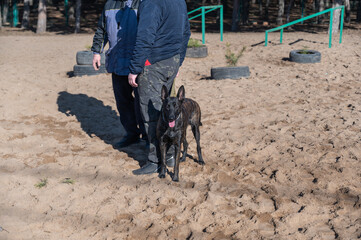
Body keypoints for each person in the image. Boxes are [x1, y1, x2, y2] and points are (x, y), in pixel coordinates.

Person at [128, 0, 191, 175]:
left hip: (154, 63)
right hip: (172, 60)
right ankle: (170, 155)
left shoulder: (151, 2)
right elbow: (186, 33)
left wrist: (134, 68)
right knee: (166, 110)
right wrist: (178, 61)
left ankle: (156, 160)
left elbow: (145, 36)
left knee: (151, 114)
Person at [91, 0, 146, 148]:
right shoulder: (110, 4)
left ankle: (147, 136)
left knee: (142, 102)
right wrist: (97, 52)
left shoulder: (143, 3)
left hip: (137, 63)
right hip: (116, 63)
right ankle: (131, 134)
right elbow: (101, 29)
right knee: (123, 102)